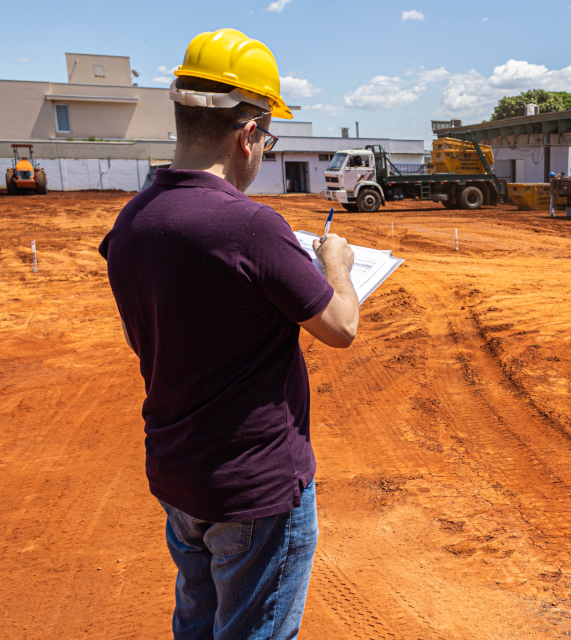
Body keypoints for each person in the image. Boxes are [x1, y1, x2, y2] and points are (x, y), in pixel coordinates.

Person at [99, 28, 361, 639]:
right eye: (266, 140)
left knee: (196, 626)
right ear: (247, 135)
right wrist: (337, 266)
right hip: (254, 488)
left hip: (178, 476)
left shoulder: (133, 221)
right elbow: (342, 327)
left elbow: (159, 333)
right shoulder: (249, 227)